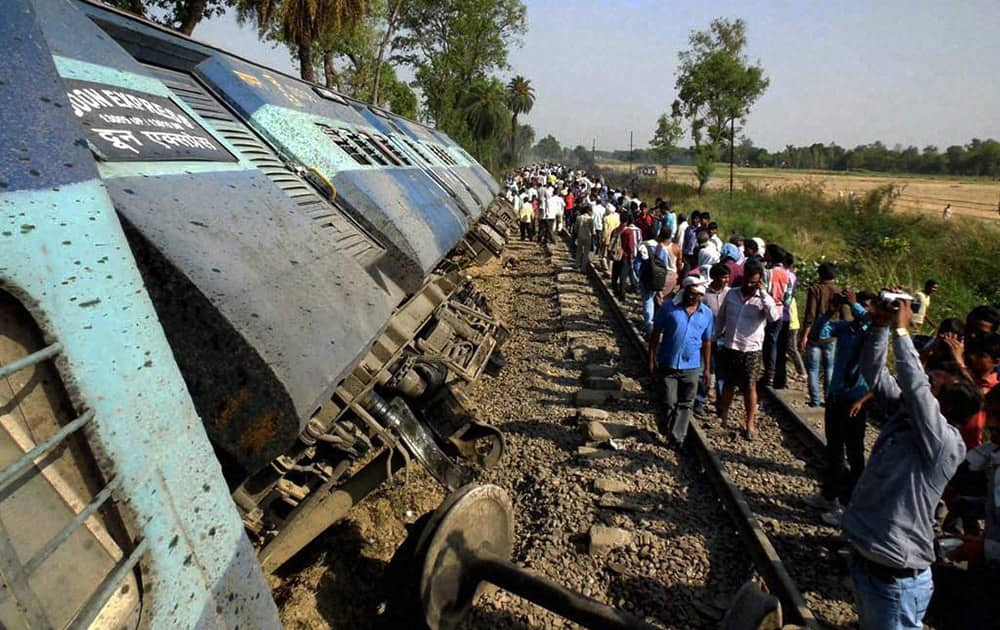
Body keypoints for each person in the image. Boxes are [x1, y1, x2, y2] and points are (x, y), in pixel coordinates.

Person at [842, 297, 981, 630]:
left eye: (934, 385)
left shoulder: (944, 444)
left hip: (896, 580)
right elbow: (875, 374)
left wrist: (902, 330)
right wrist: (879, 325)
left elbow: (917, 389)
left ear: (942, 406)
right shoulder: (906, 417)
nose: (924, 384)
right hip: (868, 563)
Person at [804, 290, 875, 526]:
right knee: (834, 449)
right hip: (836, 396)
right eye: (858, 306)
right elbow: (817, 335)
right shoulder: (846, 328)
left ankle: (849, 504)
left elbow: (869, 320)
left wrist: (855, 305)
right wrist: (828, 312)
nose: (859, 311)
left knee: (854, 453)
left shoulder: (874, 334)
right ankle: (829, 495)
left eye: (865, 306)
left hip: (857, 399)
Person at [715, 262, 782, 439]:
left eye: (754, 282)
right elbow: (721, 318)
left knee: (749, 386)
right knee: (728, 383)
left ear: (759, 281)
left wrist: (764, 294)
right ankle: (723, 416)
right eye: (747, 280)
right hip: (731, 345)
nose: (749, 285)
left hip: (751, 349)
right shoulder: (731, 294)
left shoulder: (762, 299)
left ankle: (749, 423)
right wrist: (714, 337)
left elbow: (774, 317)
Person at [648, 275, 714, 443]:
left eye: (696, 294)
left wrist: (706, 368)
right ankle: (666, 425)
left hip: (692, 366)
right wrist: (651, 357)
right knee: (668, 401)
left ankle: (677, 438)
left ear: (701, 296)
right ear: (684, 291)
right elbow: (656, 333)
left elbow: (707, 342)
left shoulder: (706, 314)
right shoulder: (669, 308)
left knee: (686, 403)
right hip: (668, 363)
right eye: (690, 293)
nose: (692, 297)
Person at [800, 262, 841, 407]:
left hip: (815, 334)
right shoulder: (838, 291)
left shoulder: (815, 289)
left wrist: (804, 335)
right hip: (831, 334)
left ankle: (815, 401)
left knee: (813, 369)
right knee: (829, 367)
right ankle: (829, 400)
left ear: (820, 274)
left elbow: (810, 314)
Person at [761, 244, 790, 387]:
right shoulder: (787, 274)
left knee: (769, 343)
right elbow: (788, 296)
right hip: (781, 310)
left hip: (769, 310)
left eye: (767, 253)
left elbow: (765, 291)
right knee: (775, 342)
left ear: (771, 256)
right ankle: (773, 373)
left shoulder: (768, 272)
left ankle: (769, 373)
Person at [639, 229, 674, 333]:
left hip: (646, 278)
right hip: (657, 279)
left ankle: (649, 325)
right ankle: (655, 322)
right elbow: (665, 266)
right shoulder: (662, 250)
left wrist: (638, 275)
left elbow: (638, 264)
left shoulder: (644, 245)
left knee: (647, 300)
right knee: (654, 299)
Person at [575, 207, 593, 272]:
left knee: (578, 251)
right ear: (588, 211)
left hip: (580, 236)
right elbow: (592, 229)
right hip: (588, 237)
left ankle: (577, 265)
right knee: (586, 253)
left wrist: (577, 233)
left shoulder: (578, 218)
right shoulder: (590, 219)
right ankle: (583, 267)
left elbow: (575, 228)